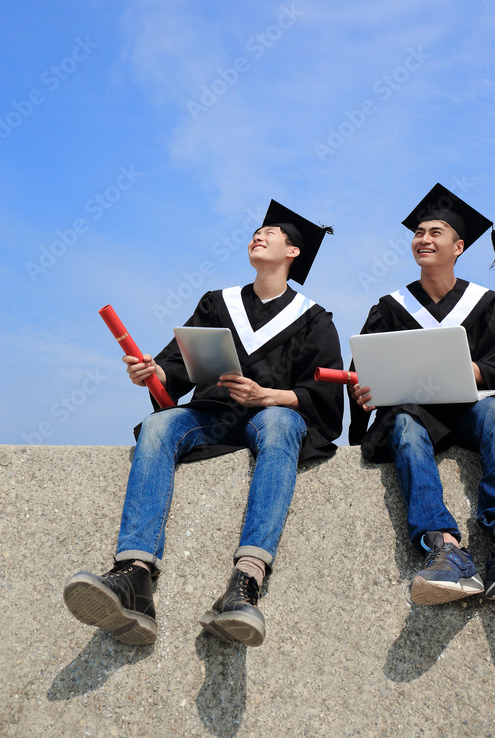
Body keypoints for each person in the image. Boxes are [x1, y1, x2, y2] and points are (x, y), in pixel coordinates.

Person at [64, 201, 343, 646]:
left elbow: (324, 395)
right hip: (211, 415)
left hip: (267, 417)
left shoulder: (313, 318)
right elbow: (174, 369)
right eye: (257, 229)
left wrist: (266, 395)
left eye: (271, 232)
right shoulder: (218, 303)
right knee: (158, 426)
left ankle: (246, 580)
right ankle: (134, 574)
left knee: (281, 424)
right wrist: (150, 373)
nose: (259, 234)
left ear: (293, 252)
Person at [350, 183, 495, 605]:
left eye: (435, 232)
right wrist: (365, 390)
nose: (423, 239)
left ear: (458, 246)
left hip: (473, 409)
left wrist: (463, 369)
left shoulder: (486, 303)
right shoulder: (390, 306)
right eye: (419, 233)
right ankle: (444, 548)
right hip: (417, 415)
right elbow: (363, 372)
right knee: (401, 423)